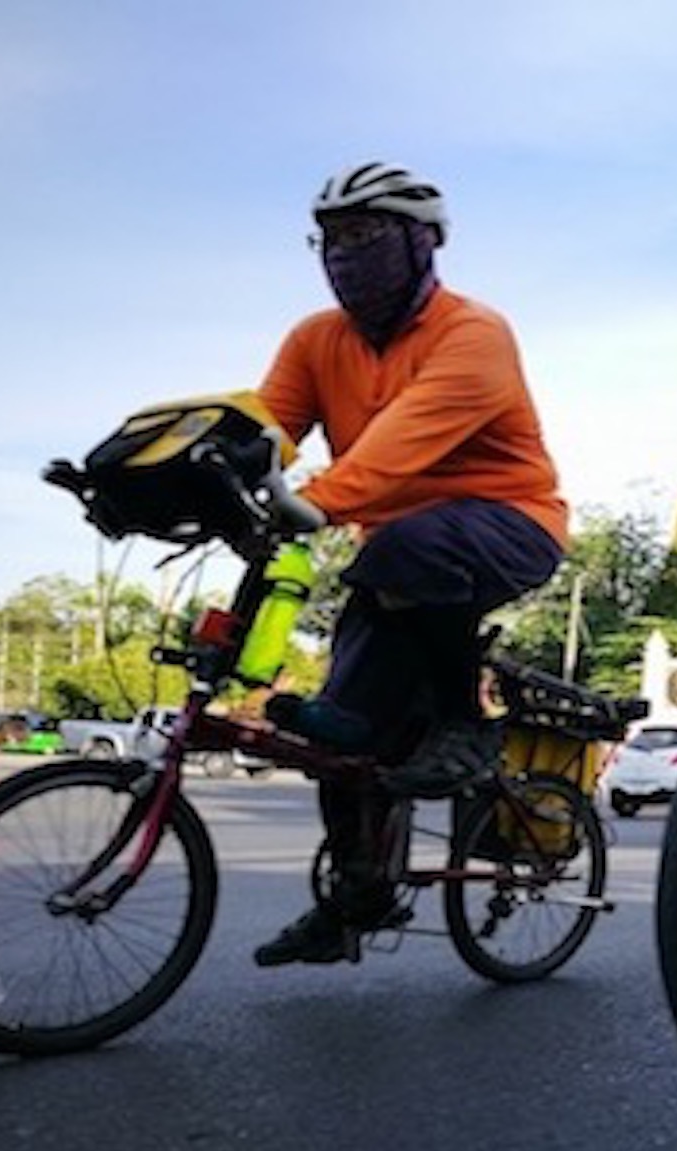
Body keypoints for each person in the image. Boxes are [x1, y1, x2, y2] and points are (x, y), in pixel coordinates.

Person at [251, 161, 567, 967]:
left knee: (404, 543)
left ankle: (466, 723)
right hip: (395, 562)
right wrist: (170, 478)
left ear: (422, 240)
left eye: (364, 235)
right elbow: (263, 431)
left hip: (510, 525)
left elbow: (404, 440)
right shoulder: (315, 340)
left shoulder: (475, 333)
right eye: (329, 239)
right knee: (343, 737)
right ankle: (355, 901)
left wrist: (320, 499)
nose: (343, 256)